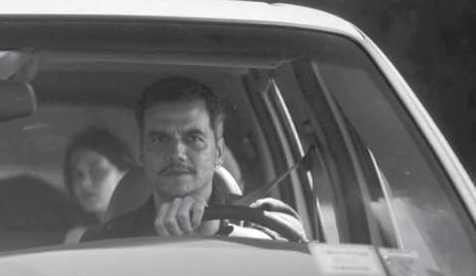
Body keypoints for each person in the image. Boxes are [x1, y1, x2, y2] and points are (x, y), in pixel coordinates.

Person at [82, 77, 305, 242]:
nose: (177, 153)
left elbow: (295, 246)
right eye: (160, 139)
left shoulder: (265, 217)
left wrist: (216, 232)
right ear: (141, 153)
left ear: (218, 152)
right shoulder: (103, 241)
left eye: (194, 138)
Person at [62, 127, 135, 243]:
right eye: (78, 175)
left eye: (97, 171)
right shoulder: (77, 238)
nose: (85, 183)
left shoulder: (150, 227)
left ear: (124, 173)